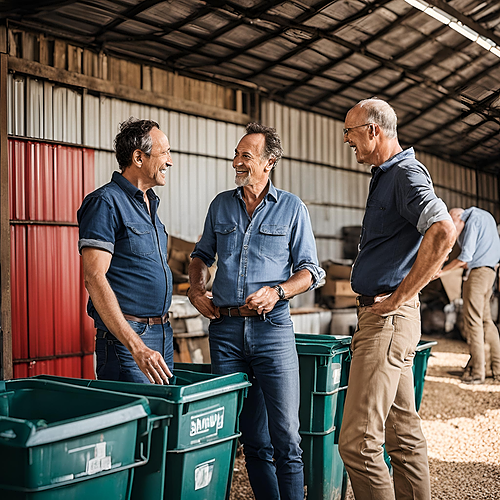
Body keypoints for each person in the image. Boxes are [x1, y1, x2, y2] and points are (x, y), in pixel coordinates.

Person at [187, 122, 325, 500]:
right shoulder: (220, 205)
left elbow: (312, 272)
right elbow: (201, 256)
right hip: (226, 333)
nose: (236, 161)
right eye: (236, 154)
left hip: (272, 330)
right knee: (251, 439)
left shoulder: (292, 208)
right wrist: (196, 289)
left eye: (245, 156)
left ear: (269, 162)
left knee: (286, 438)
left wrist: (278, 292)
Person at [338, 98, 456, 500]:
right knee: (402, 436)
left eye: (350, 132)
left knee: (357, 442)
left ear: (373, 130)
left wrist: (400, 297)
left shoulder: (404, 174)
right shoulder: (385, 174)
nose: (346, 140)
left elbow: (442, 230)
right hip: (394, 319)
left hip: (386, 320)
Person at [77, 117, 174, 384]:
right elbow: (94, 278)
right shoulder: (105, 203)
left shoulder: (150, 205)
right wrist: (136, 346)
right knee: (136, 422)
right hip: (128, 340)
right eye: (164, 152)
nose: (170, 161)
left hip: (162, 334)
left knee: (161, 422)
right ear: (139, 158)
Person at [436, 207, 500, 384]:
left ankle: (477, 372)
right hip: (490, 273)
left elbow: (465, 258)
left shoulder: (472, 220)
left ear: (457, 217)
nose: (452, 229)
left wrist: (440, 272)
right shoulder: (485, 216)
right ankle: (497, 369)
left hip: (478, 275)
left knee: (473, 321)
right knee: (486, 320)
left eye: (451, 223)